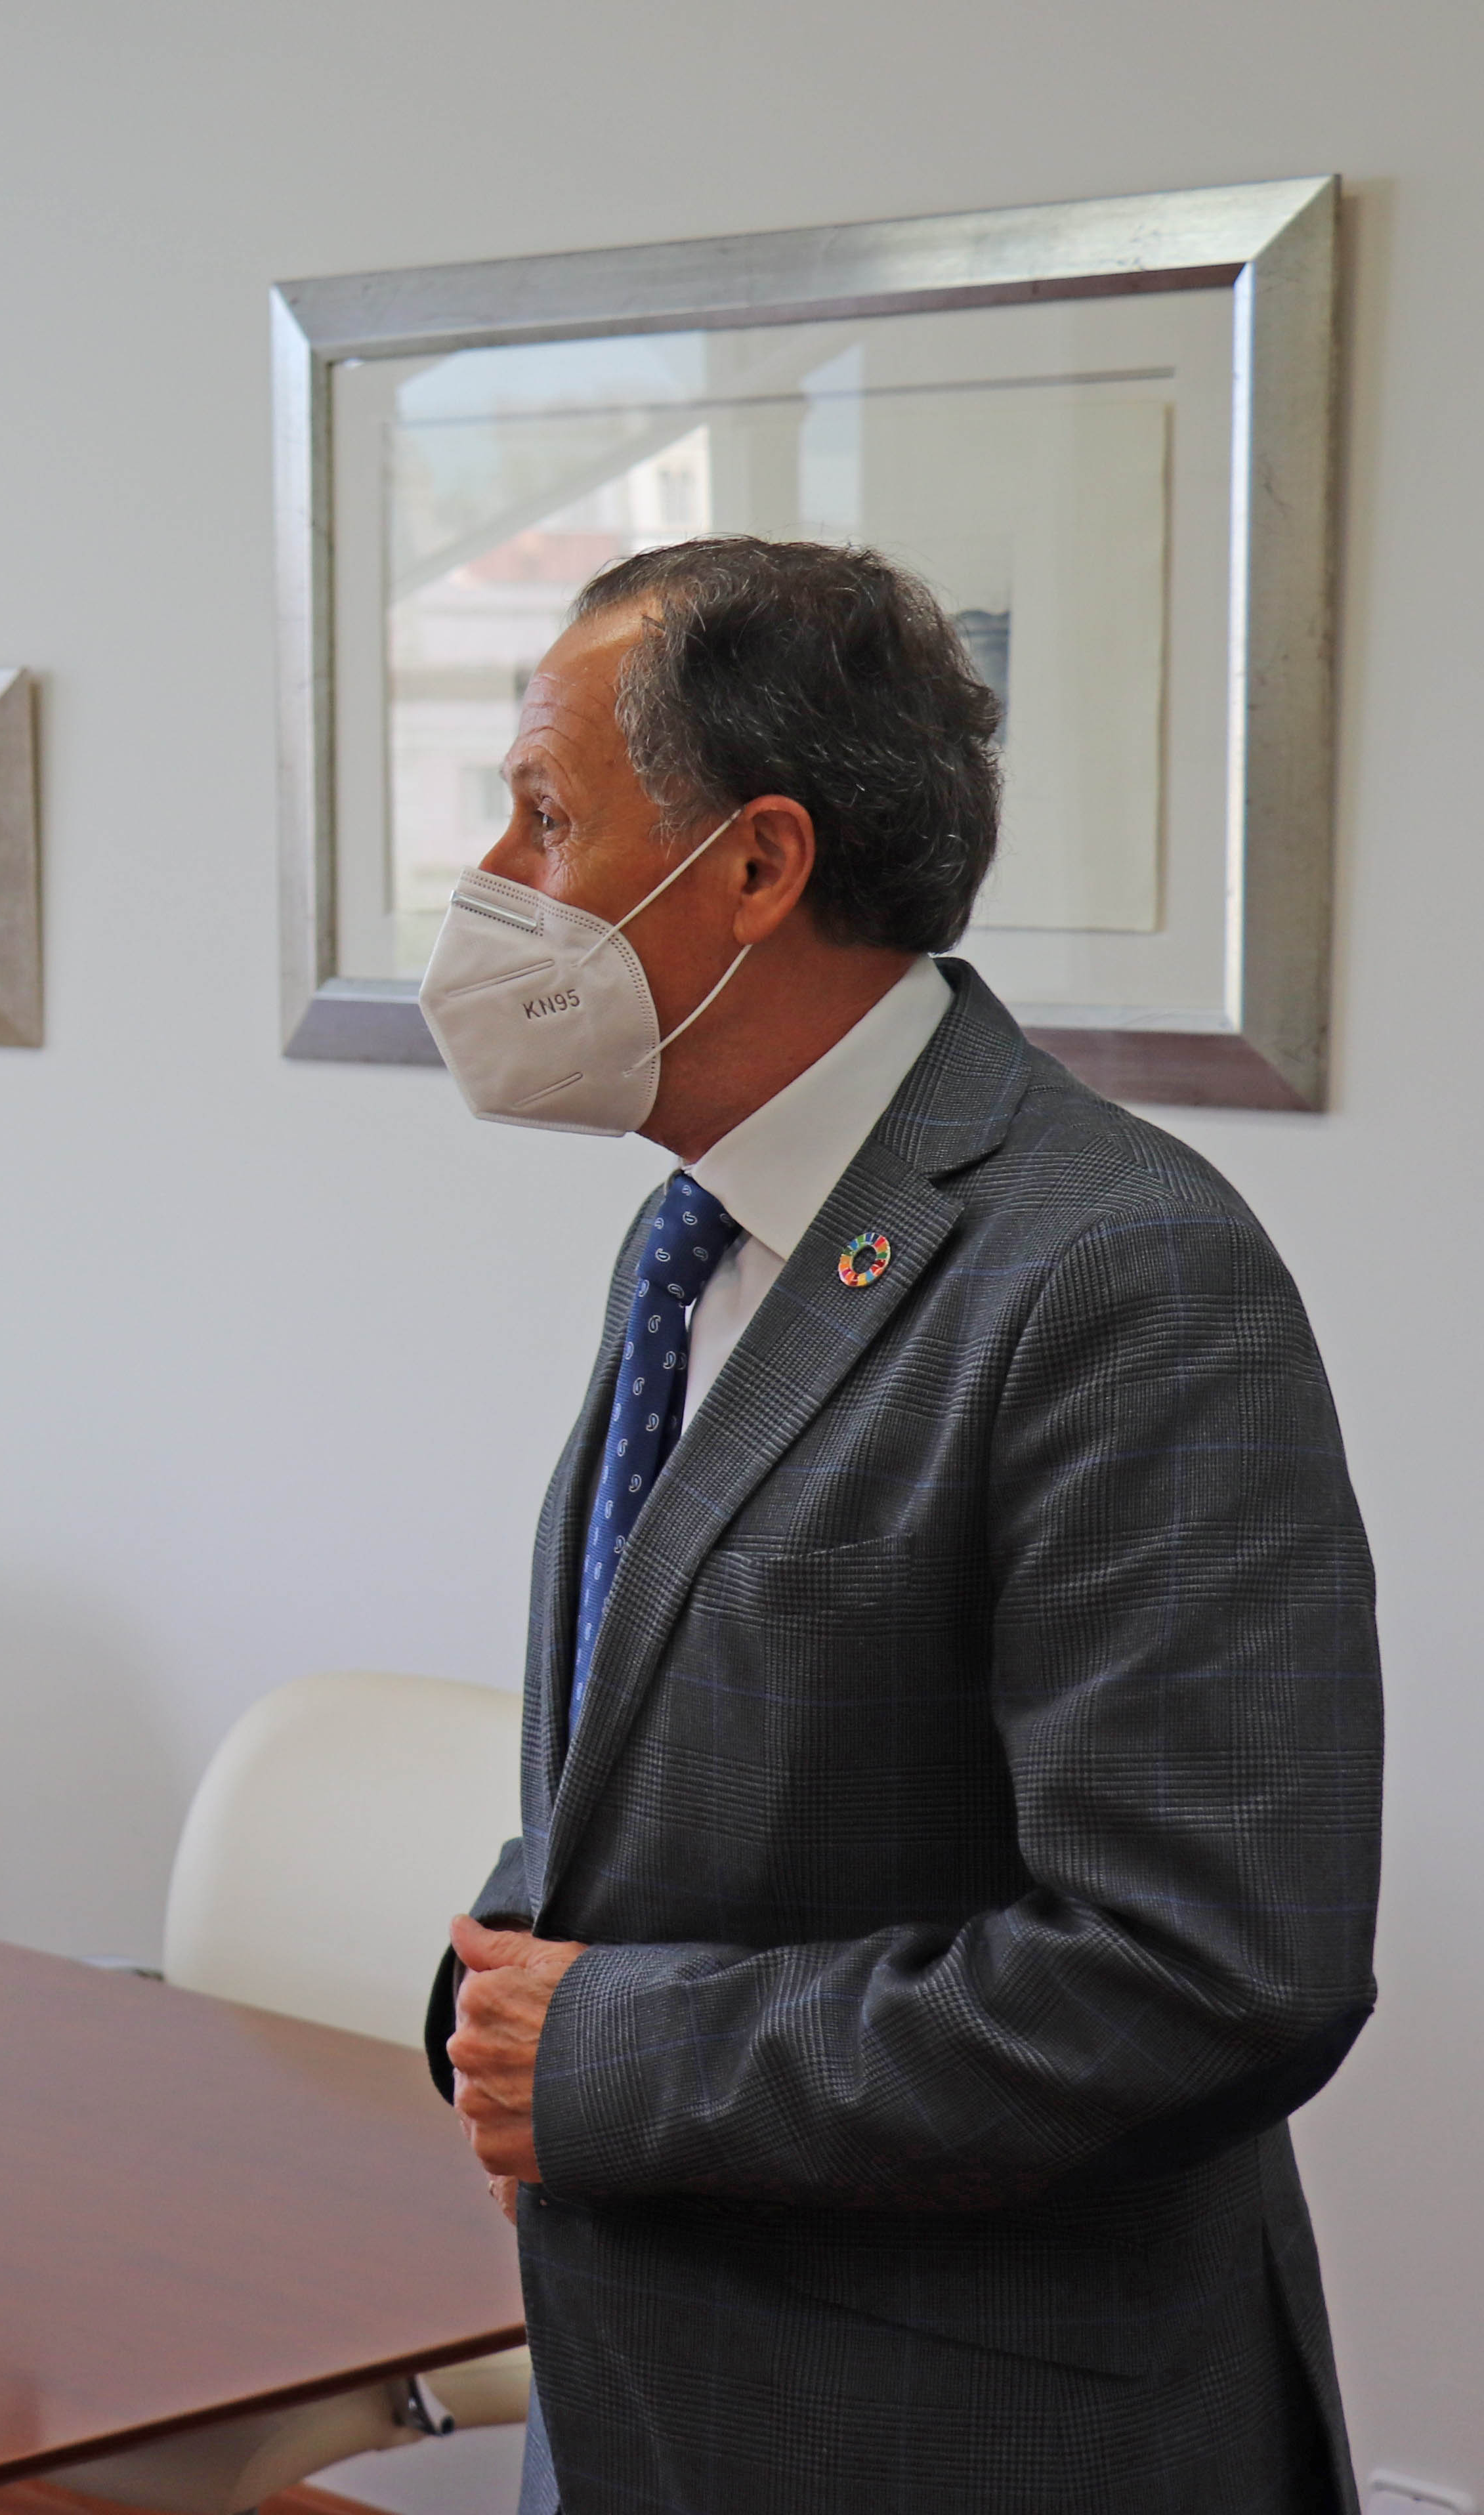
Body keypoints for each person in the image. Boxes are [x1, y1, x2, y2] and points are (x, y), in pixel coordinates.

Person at [417, 539, 1380, 2514]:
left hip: (963, 2433)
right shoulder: (697, 1235)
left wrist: (610, 2054)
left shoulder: (1123, 1274)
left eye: (546, 815)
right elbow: (725, 1739)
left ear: (757, 870)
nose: (500, 890)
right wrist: (516, 1957)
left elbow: (1204, 1969)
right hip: (658, 2388)